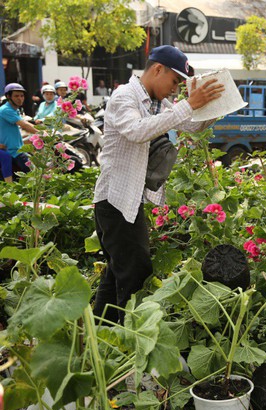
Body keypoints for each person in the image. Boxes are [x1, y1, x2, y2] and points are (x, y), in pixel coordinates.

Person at [92, 45, 224, 323]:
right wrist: (189, 104)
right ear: (157, 69)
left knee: (118, 270)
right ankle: (131, 335)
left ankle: (101, 329)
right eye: (175, 81)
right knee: (136, 271)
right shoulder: (123, 97)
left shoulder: (157, 103)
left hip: (127, 201)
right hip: (113, 201)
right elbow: (137, 131)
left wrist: (216, 106)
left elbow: (191, 125)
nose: (176, 90)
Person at [0, 83, 39, 181]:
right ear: (9, 96)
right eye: (16, 96)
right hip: (13, 151)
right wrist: (43, 133)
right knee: (36, 175)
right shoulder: (6, 110)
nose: (20, 98)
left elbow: (25, 123)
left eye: (22, 96)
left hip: (17, 148)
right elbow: (24, 125)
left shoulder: (14, 110)